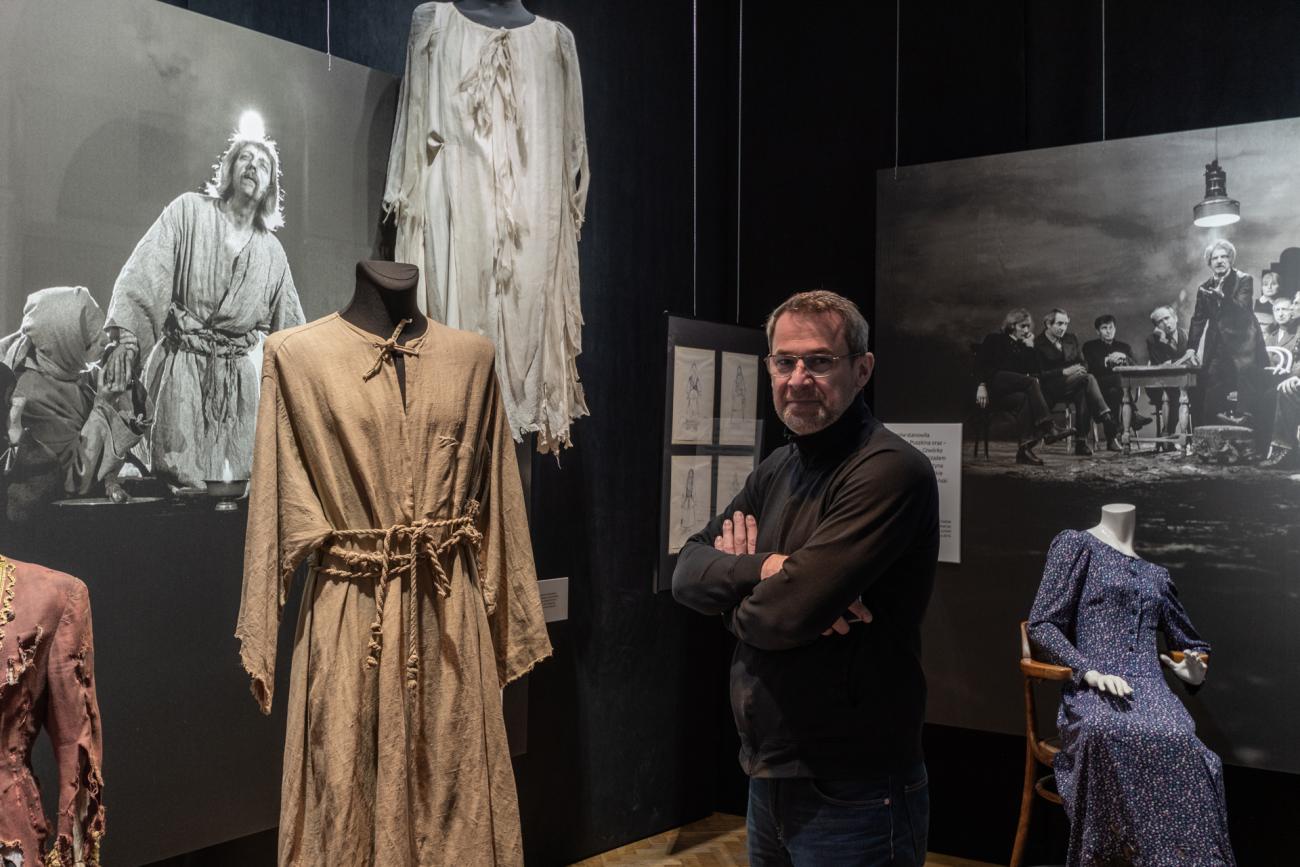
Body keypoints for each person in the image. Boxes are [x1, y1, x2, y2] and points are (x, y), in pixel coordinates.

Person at [672, 290, 938, 867]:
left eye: (819, 361)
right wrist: (767, 569)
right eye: (784, 361)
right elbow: (686, 571)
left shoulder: (891, 471)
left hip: (857, 788)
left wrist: (742, 600)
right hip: (769, 775)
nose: (797, 378)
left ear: (861, 369)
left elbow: (784, 616)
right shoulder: (778, 468)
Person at [1028, 506, 1235, 866]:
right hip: (1095, 690)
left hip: (1152, 691)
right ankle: (1111, 857)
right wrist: (1088, 671)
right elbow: (1043, 624)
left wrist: (1194, 671)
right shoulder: (1078, 546)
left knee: (1181, 739)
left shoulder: (1156, 576)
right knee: (1103, 730)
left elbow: (1192, 645)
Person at [100, 125, 304, 489]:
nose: (252, 166)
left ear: (270, 187)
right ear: (229, 167)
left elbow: (292, 336)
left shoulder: (272, 252)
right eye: (245, 158)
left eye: (263, 164)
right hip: (181, 370)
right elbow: (145, 275)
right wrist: (128, 342)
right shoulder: (188, 212)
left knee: (233, 486)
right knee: (176, 478)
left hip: (236, 388)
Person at [1188, 239, 1268, 432]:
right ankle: (1209, 437)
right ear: (1209, 262)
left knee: (1248, 393)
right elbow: (1198, 319)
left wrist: (1223, 298)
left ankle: (1246, 436)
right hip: (1218, 346)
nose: (1220, 261)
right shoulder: (1204, 287)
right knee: (1208, 389)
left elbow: (1243, 309)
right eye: (1215, 258)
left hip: (1244, 345)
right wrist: (1191, 348)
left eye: (1224, 256)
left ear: (1230, 259)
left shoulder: (1244, 279)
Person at [975, 308, 1072, 466]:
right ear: (1012, 325)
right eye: (1022, 326)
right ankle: (1049, 428)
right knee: (1031, 382)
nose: (1026, 330)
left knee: (1025, 399)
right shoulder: (994, 339)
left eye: (1028, 326)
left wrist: (1030, 347)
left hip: (1009, 391)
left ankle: (1024, 452)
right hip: (993, 383)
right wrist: (981, 385)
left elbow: (1035, 371)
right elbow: (979, 365)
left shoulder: (1022, 346)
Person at [1034, 308, 1117, 456]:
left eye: (1066, 324)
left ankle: (1081, 442)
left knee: (1083, 391)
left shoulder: (1071, 338)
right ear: (1048, 324)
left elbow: (1084, 363)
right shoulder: (1037, 343)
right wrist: (1065, 372)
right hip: (1050, 388)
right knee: (1088, 379)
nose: (1063, 328)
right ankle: (1105, 416)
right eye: (1059, 324)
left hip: (1075, 383)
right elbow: (1038, 374)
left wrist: (1078, 371)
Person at [1081, 314, 1150, 450]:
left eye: (1111, 327)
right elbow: (1088, 369)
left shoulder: (1124, 347)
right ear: (1097, 331)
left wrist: (1124, 358)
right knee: (1119, 380)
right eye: (1104, 328)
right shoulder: (1089, 346)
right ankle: (1134, 415)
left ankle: (1111, 439)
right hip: (1096, 389)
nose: (1108, 331)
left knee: (1114, 392)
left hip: (1117, 392)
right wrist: (1106, 361)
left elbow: (1136, 369)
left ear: (1115, 329)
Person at [1145, 305, 1194, 439]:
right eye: (1160, 321)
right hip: (1160, 384)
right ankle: (1168, 434)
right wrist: (1164, 341)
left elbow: (1193, 360)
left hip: (1185, 383)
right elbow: (1160, 365)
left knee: (1197, 393)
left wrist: (1173, 362)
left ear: (1175, 318)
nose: (1165, 323)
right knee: (1174, 394)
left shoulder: (1188, 335)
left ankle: (1195, 436)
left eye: (1167, 318)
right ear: (1156, 326)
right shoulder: (1152, 340)